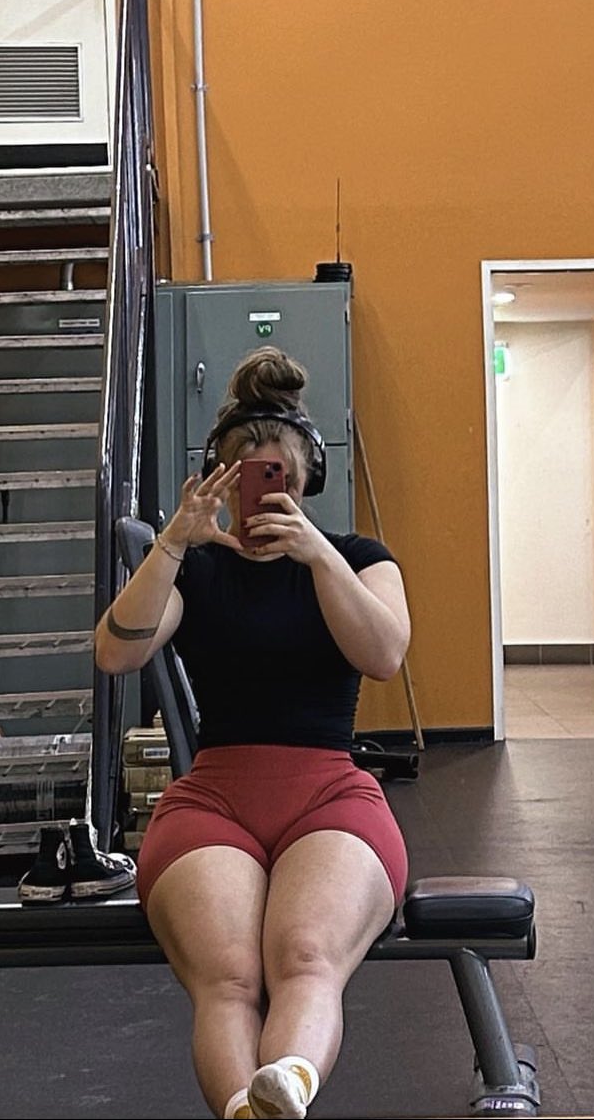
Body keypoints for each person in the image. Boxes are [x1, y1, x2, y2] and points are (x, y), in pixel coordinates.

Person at [95, 346, 412, 1120]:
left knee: (307, 957)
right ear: (224, 483)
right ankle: (246, 1107)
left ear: (306, 483)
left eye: (284, 481)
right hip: (214, 801)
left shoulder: (359, 560)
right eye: (252, 480)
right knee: (231, 976)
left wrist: (318, 556)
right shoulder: (197, 571)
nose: (269, 496)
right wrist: (173, 542)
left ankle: (285, 1087)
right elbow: (115, 651)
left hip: (329, 795)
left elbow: (384, 654)